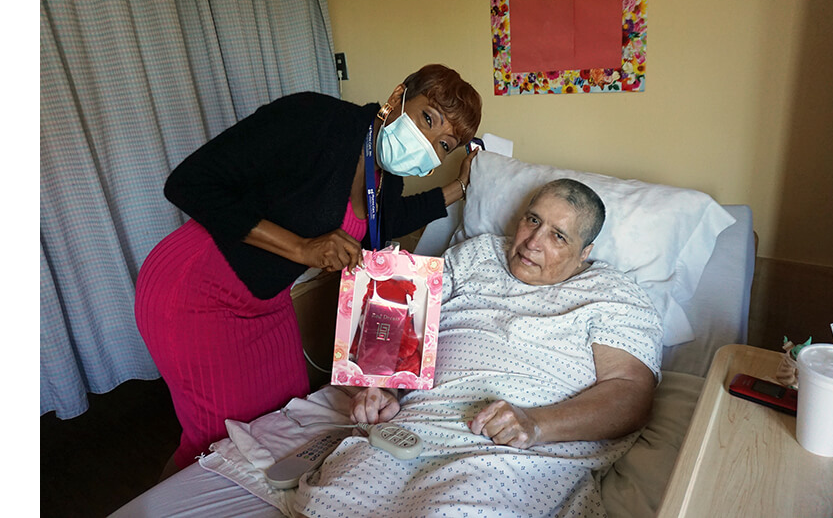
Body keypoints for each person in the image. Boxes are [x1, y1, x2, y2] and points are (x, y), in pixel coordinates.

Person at [134, 64, 482, 476]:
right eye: (427, 119)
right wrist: (303, 248)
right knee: (220, 444)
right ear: (397, 97)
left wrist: (460, 187)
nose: (427, 144)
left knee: (289, 418)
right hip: (195, 290)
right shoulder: (316, 120)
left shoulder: (384, 177)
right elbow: (189, 183)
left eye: (444, 144)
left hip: (265, 299)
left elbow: (385, 221)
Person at [291, 178, 663, 517]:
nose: (534, 242)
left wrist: (535, 424)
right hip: (413, 429)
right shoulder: (478, 254)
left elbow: (630, 394)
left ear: (585, 252)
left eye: (558, 236)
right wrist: (384, 385)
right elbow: (405, 314)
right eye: (532, 220)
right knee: (328, 498)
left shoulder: (613, 294)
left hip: (510, 452)